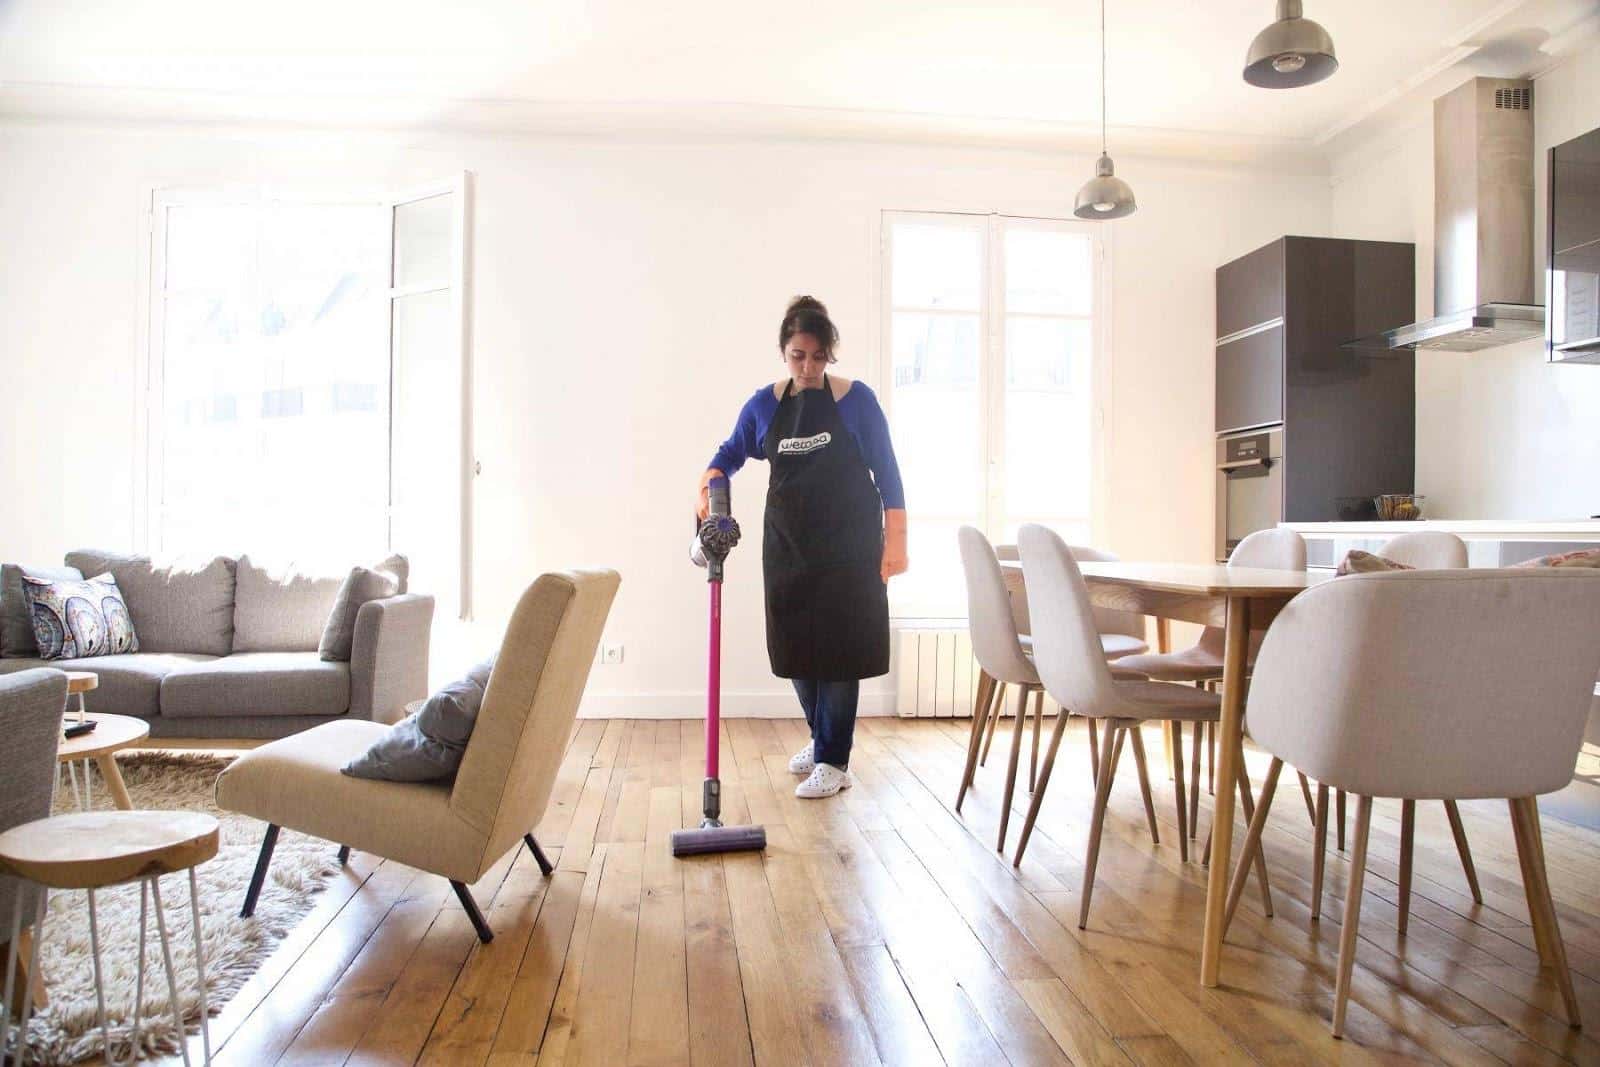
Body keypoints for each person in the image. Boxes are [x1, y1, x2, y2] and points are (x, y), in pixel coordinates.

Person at [698, 296, 908, 798]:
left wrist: (896, 541)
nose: (808, 367)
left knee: (840, 651)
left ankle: (835, 761)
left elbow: (888, 471)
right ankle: (821, 739)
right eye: (798, 356)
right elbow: (729, 453)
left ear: (829, 354)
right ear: (784, 353)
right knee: (796, 649)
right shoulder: (765, 405)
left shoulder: (856, 401)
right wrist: (709, 487)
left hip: (850, 549)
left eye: (817, 357)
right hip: (789, 547)